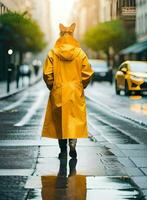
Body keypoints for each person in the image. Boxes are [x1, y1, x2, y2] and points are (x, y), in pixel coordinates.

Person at [42, 23, 94, 159]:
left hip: (58, 91)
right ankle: (73, 144)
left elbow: (47, 73)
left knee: (60, 122)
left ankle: (63, 150)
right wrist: (81, 85)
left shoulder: (53, 52)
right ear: (72, 35)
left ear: (60, 35)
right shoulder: (80, 53)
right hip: (75, 91)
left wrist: (52, 86)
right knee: (73, 121)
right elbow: (87, 73)